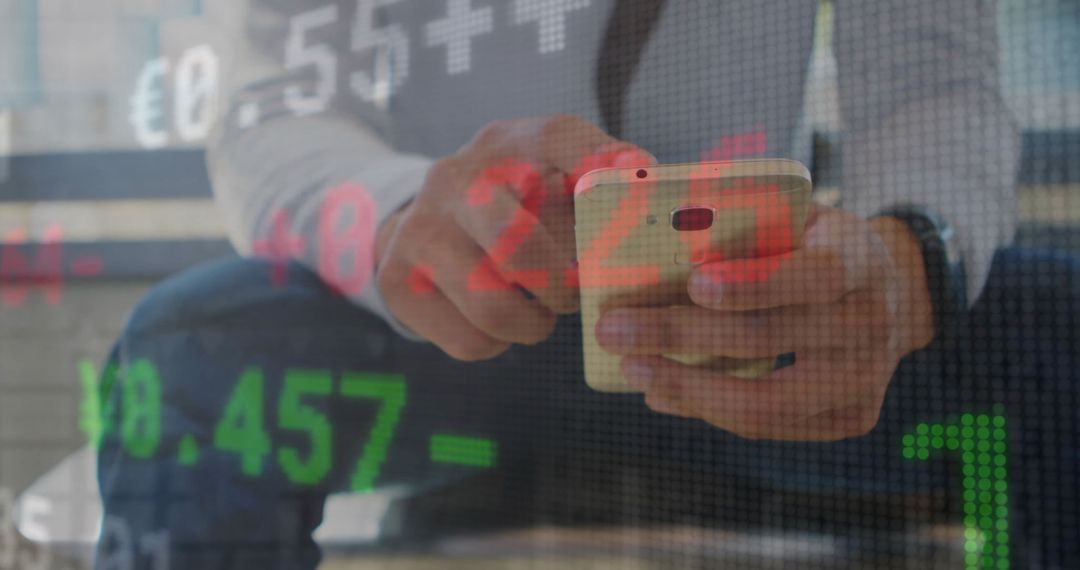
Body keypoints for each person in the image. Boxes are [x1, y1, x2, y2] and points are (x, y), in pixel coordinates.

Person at [95, 0, 1079, 568]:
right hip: (466, 326)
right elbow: (272, 113)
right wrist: (407, 221)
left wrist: (904, 270)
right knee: (190, 359)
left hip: (756, 322)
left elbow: (934, 88)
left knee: (1062, 338)